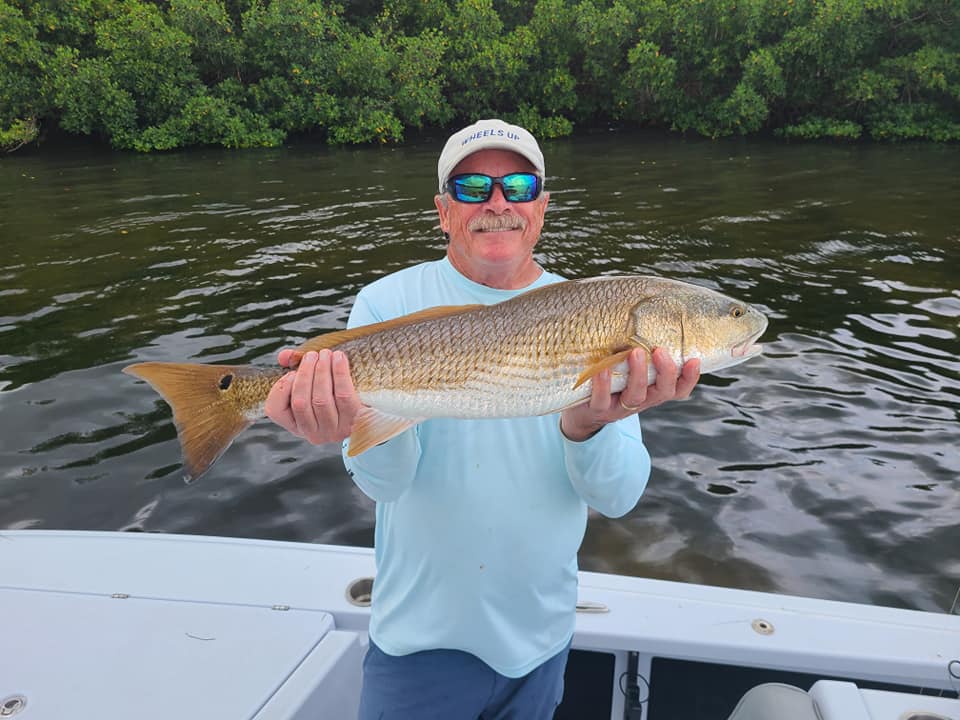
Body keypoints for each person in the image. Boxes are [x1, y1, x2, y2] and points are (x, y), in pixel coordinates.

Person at [265, 118, 701, 719]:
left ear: (541, 208)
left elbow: (620, 496)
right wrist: (343, 423)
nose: (498, 203)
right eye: (473, 189)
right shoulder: (388, 304)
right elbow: (385, 485)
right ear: (444, 211)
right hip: (418, 641)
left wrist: (587, 427)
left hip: (540, 641)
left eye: (518, 187)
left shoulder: (598, 312)